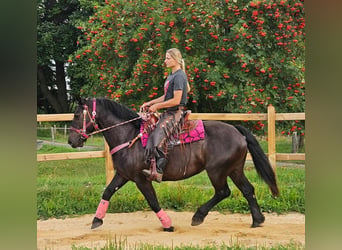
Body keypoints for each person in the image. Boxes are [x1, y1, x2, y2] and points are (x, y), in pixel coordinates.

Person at [141, 48, 190, 183]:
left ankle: (159, 171)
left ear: (175, 59)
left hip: (175, 113)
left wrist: (156, 107)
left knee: (158, 137)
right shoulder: (172, 75)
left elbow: (176, 100)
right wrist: (150, 102)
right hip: (169, 112)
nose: (165, 61)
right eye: (166, 58)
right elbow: (166, 96)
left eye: (168, 58)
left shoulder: (180, 76)